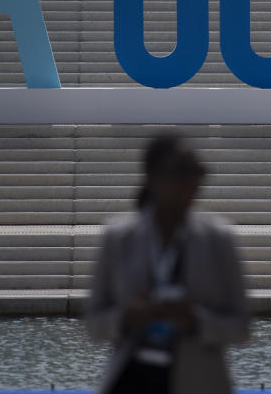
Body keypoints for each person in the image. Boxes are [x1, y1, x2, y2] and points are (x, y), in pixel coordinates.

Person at [86, 133, 249, 394]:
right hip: (133, 380)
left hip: (200, 383)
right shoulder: (118, 238)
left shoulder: (219, 239)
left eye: (197, 173)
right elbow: (94, 323)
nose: (191, 183)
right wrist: (129, 316)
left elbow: (242, 327)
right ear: (152, 177)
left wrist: (195, 320)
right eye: (180, 173)